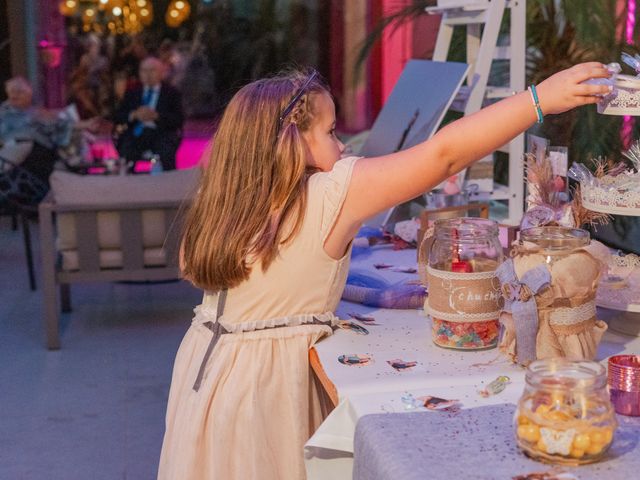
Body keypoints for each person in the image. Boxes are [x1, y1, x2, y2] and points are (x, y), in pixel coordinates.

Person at [157, 63, 611, 479]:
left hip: (208, 378)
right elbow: (443, 156)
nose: (342, 146)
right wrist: (539, 99)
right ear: (291, 141)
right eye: (332, 132)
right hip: (267, 391)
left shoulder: (226, 201)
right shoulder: (328, 195)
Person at [0, 76, 97, 184]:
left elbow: (56, 120)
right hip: (22, 153)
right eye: (14, 92)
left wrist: (84, 125)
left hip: (38, 155)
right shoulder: (6, 112)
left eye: (20, 91)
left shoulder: (33, 111)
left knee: (74, 137)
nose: (15, 95)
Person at [113, 56, 184, 171]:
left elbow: (178, 119)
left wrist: (156, 116)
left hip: (161, 132)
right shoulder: (132, 92)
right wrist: (134, 115)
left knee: (167, 150)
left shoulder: (171, 93)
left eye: (152, 70)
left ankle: (170, 180)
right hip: (136, 133)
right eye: (144, 71)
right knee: (126, 147)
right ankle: (126, 179)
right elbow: (118, 116)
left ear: (161, 73)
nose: (147, 74)